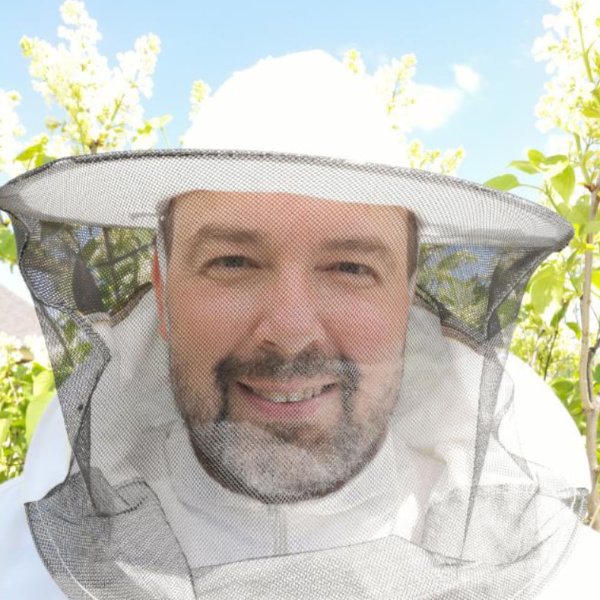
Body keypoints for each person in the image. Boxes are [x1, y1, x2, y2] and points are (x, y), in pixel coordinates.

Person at [0, 50, 599, 599]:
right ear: (162, 284)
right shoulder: (15, 563)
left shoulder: (565, 579)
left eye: (350, 267)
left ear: (407, 296)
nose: (289, 331)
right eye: (233, 262)